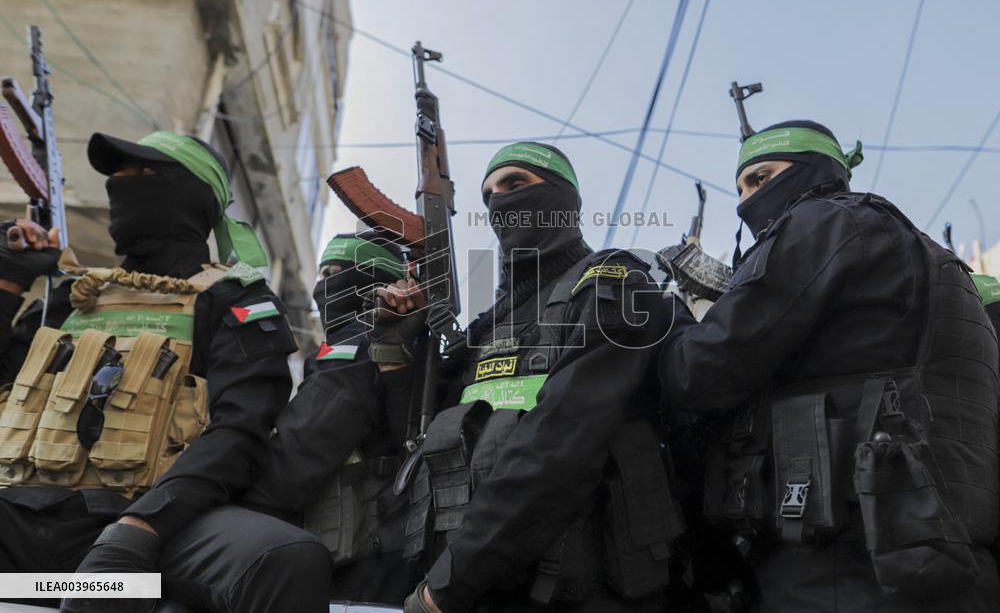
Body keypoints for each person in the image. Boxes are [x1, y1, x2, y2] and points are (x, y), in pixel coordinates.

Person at [657, 120, 1000, 611]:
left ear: (814, 169)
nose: (746, 201)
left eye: (761, 178)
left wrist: (666, 316)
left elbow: (700, 372)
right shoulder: (930, 258)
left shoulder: (826, 222)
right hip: (937, 556)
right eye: (740, 188)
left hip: (843, 568)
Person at [0, 130, 330, 612]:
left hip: (144, 532)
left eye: (143, 172)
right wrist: (9, 281)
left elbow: (240, 429)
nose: (121, 183)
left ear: (193, 194)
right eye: (117, 174)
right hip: (20, 517)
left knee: (284, 558)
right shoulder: (74, 296)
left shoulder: (234, 298)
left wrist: (140, 528)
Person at [370, 142, 686, 612]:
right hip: (474, 584)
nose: (500, 202)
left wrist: (448, 585)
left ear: (562, 197)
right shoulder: (489, 325)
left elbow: (560, 443)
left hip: (578, 591)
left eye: (515, 183)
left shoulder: (613, 283)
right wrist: (396, 354)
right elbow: (422, 448)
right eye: (489, 195)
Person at [240, 230, 421, 604]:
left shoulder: (357, 345)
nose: (323, 287)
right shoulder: (368, 346)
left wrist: (221, 494)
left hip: (358, 563)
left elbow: (298, 453)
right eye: (322, 274)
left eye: (336, 274)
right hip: (365, 554)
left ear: (373, 282)